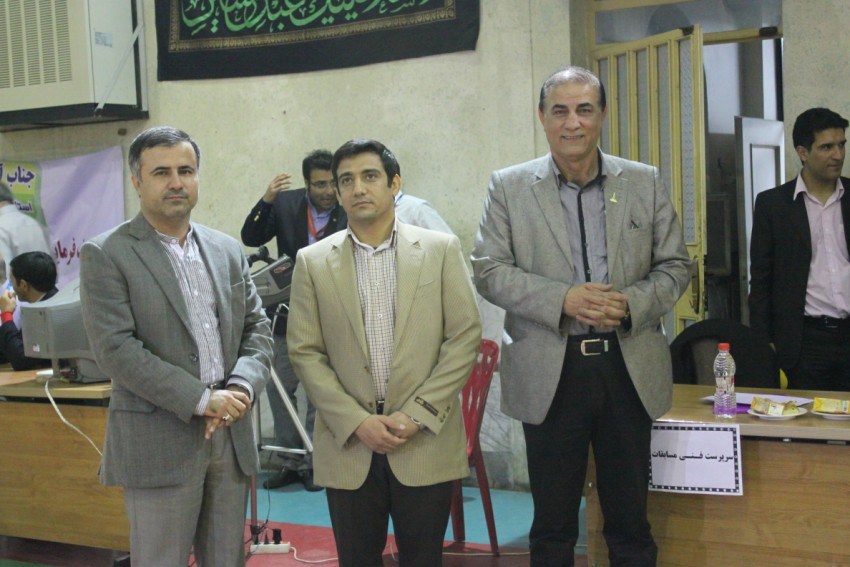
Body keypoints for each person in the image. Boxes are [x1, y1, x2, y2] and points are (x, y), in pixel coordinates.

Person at [471, 66, 691, 566]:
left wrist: (632, 303)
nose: (573, 123)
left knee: (631, 522)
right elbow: (488, 270)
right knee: (552, 527)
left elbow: (676, 265)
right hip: (551, 371)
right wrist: (562, 299)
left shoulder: (643, 181)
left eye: (585, 110)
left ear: (603, 114)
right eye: (560, 111)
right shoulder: (509, 187)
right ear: (542, 117)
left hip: (626, 367)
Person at [79, 126, 273, 567]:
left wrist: (239, 389)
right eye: (161, 172)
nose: (176, 182)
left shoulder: (226, 249)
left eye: (186, 171)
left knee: (226, 559)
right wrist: (202, 399)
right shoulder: (107, 253)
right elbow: (116, 349)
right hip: (159, 438)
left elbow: (257, 328)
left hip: (230, 432)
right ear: (137, 181)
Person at [287, 138, 481, 566]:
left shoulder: (439, 249)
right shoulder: (312, 262)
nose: (358, 188)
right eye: (346, 180)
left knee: (422, 559)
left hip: (422, 439)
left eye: (370, 176)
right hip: (348, 444)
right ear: (338, 193)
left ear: (395, 184)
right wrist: (357, 422)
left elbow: (464, 337)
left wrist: (416, 414)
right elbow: (304, 351)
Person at [241, 149, 346, 491]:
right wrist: (266, 201)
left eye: (332, 183)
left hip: (332, 314)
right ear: (306, 184)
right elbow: (251, 236)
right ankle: (290, 460)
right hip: (287, 314)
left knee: (321, 391)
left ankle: (317, 462)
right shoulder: (286, 204)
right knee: (278, 387)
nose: (328, 191)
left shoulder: (347, 207)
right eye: (319, 184)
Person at [749, 107, 850, 391]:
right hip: (805, 341)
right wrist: (764, 342)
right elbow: (761, 280)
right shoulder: (773, 205)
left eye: (842, 144)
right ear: (803, 152)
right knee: (808, 417)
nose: (838, 155)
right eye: (827, 147)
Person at [0, 251, 58, 370]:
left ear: (23, 285)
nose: (11, 287)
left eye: (12, 281)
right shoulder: (45, 301)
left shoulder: (48, 312)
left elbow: (20, 359)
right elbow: (14, 347)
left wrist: (6, 315)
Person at [0, 181, 52, 283]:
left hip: (16, 291)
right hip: (42, 289)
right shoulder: (33, 223)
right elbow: (49, 266)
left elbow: (5, 277)